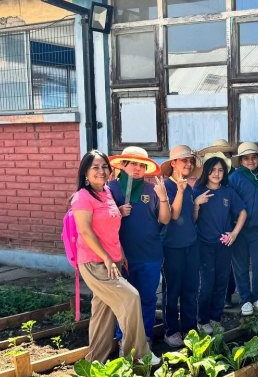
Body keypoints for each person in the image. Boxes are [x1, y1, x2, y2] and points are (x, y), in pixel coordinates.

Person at [70, 150, 157, 365]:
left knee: (102, 313)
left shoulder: (106, 192)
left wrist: (121, 254)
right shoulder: (82, 197)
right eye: (95, 167)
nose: (101, 171)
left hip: (114, 260)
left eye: (104, 167)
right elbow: (86, 232)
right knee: (131, 297)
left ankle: (95, 361)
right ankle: (137, 355)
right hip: (95, 262)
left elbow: (111, 228)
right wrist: (107, 259)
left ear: (110, 170)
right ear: (85, 173)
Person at [107, 146, 170, 346]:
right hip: (122, 256)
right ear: (123, 165)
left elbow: (165, 219)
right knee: (124, 300)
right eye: (133, 164)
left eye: (141, 165)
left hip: (150, 255)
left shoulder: (152, 190)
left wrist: (163, 196)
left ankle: (145, 338)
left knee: (147, 298)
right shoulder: (110, 189)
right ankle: (123, 338)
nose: (137, 169)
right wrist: (117, 211)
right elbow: (99, 220)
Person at [193, 155, 247, 333]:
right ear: (207, 171)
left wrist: (234, 233)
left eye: (220, 170)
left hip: (224, 245)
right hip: (204, 245)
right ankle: (202, 320)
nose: (217, 173)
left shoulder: (228, 192)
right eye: (213, 170)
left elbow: (243, 212)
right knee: (206, 283)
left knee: (221, 283)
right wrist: (196, 204)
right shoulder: (198, 190)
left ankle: (215, 318)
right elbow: (192, 219)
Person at [161, 145, 201, 348]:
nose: (189, 164)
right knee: (172, 290)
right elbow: (173, 216)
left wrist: (196, 204)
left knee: (191, 289)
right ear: (173, 163)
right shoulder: (166, 186)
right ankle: (170, 330)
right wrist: (179, 190)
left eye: (191, 161)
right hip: (172, 247)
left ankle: (190, 329)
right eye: (184, 160)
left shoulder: (190, 187)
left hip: (191, 245)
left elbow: (191, 218)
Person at [229, 142, 258, 316]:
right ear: (240, 161)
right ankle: (245, 299)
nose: (250, 161)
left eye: (253, 157)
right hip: (238, 230)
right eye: (246, 158)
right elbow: (230, 204)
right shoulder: (234, 178)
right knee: (240, 266)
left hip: (257, 229)